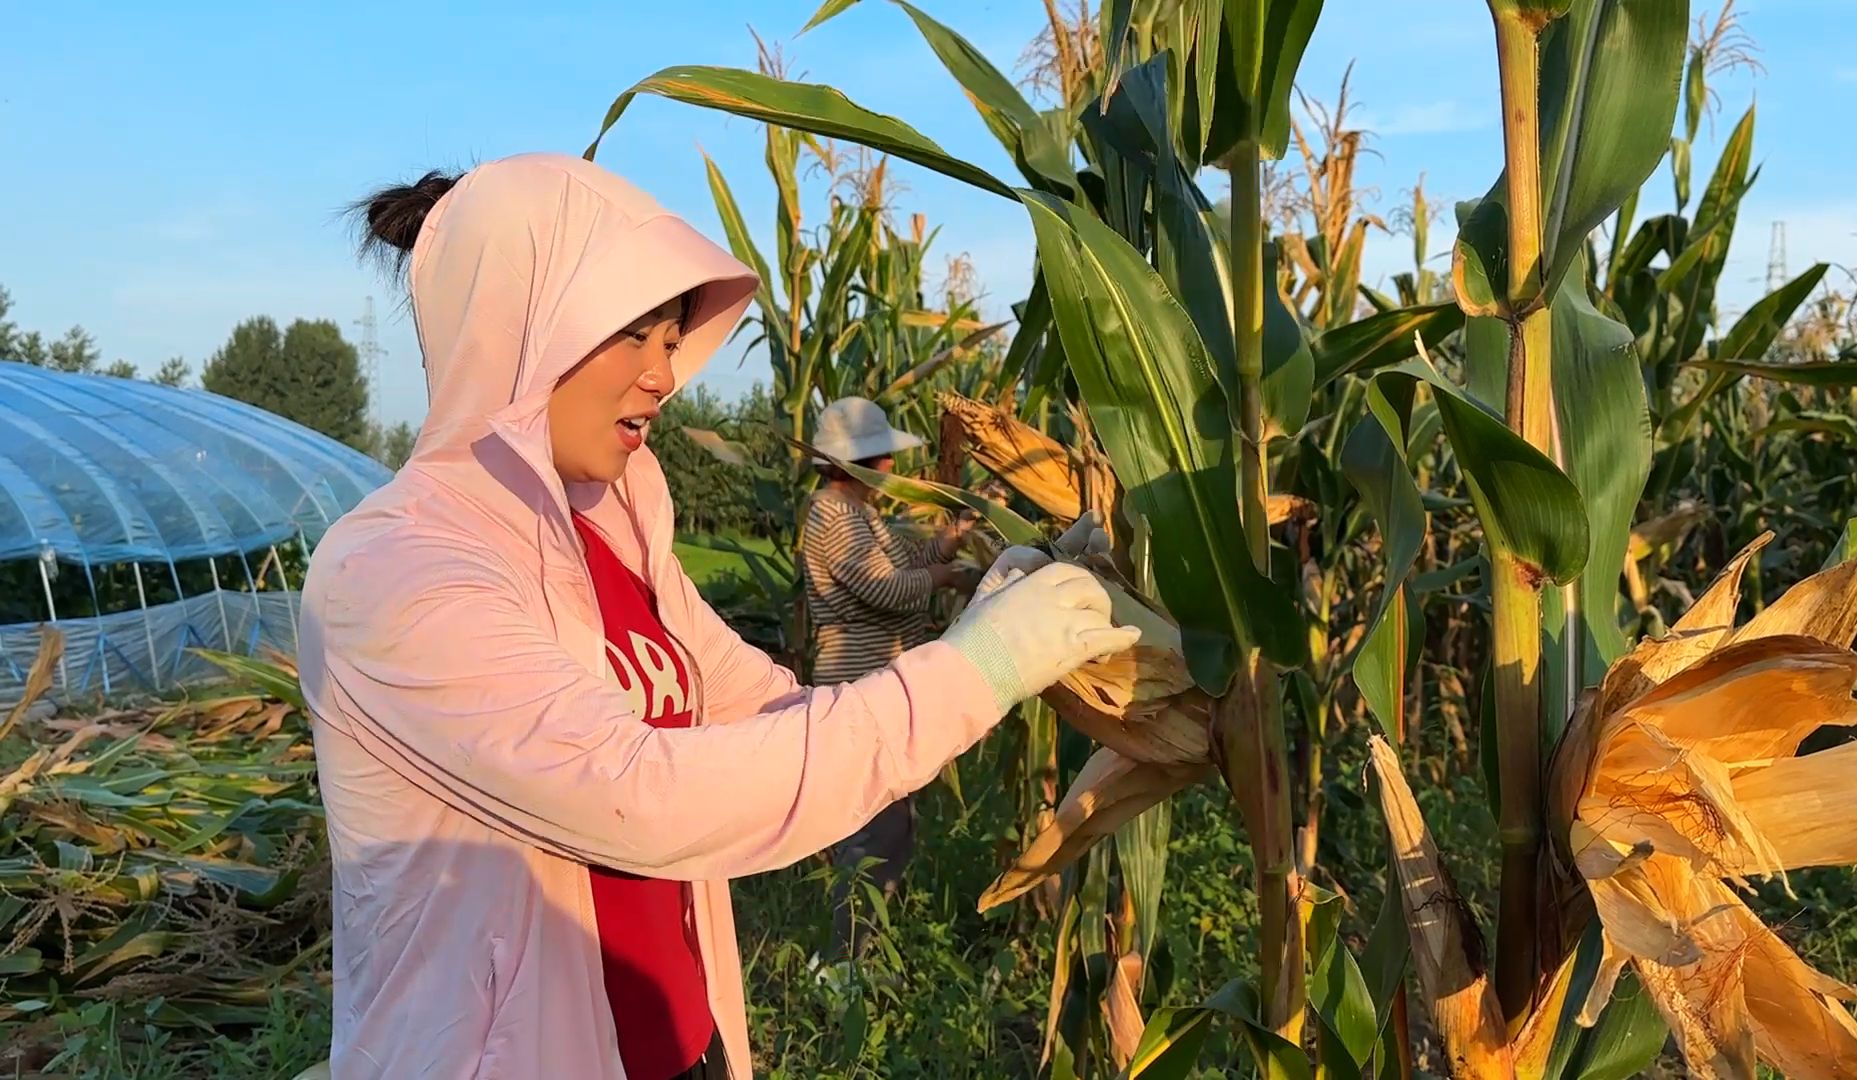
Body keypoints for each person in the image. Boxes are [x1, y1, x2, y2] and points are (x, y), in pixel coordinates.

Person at [296, 152, 1140, 1080]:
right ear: (526, 330)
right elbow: (641, 794)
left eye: (671, 340)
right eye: (633, 336)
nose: (664, 375)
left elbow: (767, 713)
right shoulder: (398, 570)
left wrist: (986, 622)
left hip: (677, 1044)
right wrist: (973, 669)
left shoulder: (618, 533)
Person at [797, 396, 982, 960]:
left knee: (891, 822)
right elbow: (886, 588)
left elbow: (903, 563)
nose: (893, 470)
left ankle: (865, 953)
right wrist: (948, 577)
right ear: (864, 461)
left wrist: (953, 537)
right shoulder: (833, 515)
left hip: (879, 684)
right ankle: (841, 964)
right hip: (857, 687)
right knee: (872, 829)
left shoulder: (862, 514)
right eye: (884, 459)